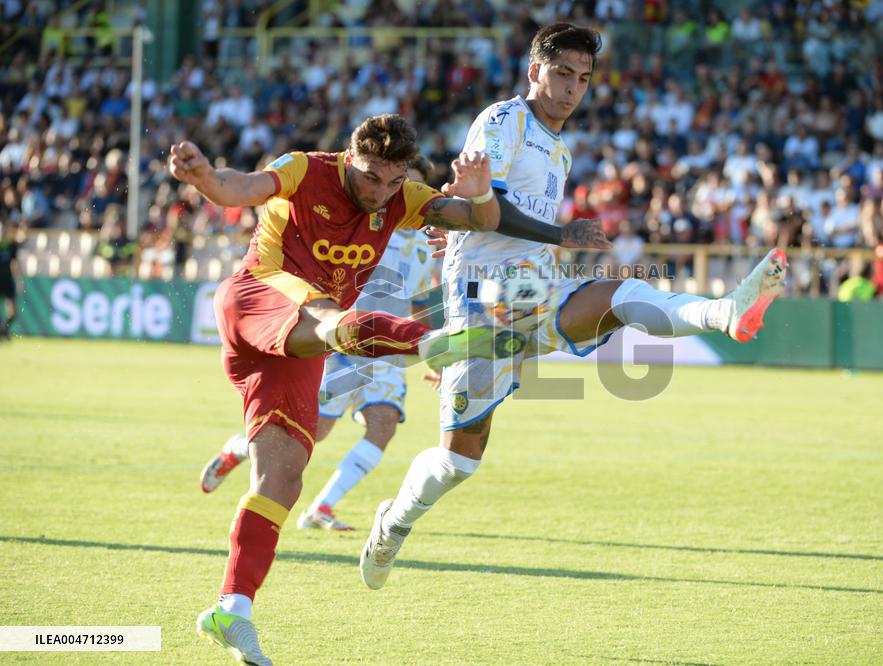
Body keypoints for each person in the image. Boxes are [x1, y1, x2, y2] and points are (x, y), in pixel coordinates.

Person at [359, 24, 789, 591]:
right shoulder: (503, 121)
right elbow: (489, 210)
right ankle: (393, 523)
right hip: (485, 302)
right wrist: (555, 233)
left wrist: (507, 229)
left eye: (583, 79)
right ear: (535, 70)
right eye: (562, 73)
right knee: (458, 462)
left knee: (621, 294)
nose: (572, 89)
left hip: (533, 292)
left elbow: (477, 208)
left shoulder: (558, 148)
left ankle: (724, 313)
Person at [173, 113, 609, 665]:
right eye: (370, 177)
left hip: (300, 346)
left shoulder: (405, 198)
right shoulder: (306, 170)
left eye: (393, 181)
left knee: (282, 478)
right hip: (259, 300)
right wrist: (205, 178)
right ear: (350, 158)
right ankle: (440, 344)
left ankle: (230, 610)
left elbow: (482, 220)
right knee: (336, 323)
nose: (380, 193)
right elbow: (241, 186)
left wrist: (479, 197)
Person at [198, 157, 441, 532]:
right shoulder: (368, 223)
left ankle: (323, 507)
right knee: (315, 430)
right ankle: (237, 447)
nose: (398, 195)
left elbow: (419, 301)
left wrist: (432, 356)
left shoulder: (426, 247)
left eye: (409, 187)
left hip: (389, 351)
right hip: (345, 342)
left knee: (384, 424)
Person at [0, 221, 21, 340]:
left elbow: (15, 263)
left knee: (13, 311)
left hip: (7, 281)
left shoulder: (10, 245)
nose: (2, 232)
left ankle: (4, 329)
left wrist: (19, 280)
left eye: (4, 229)